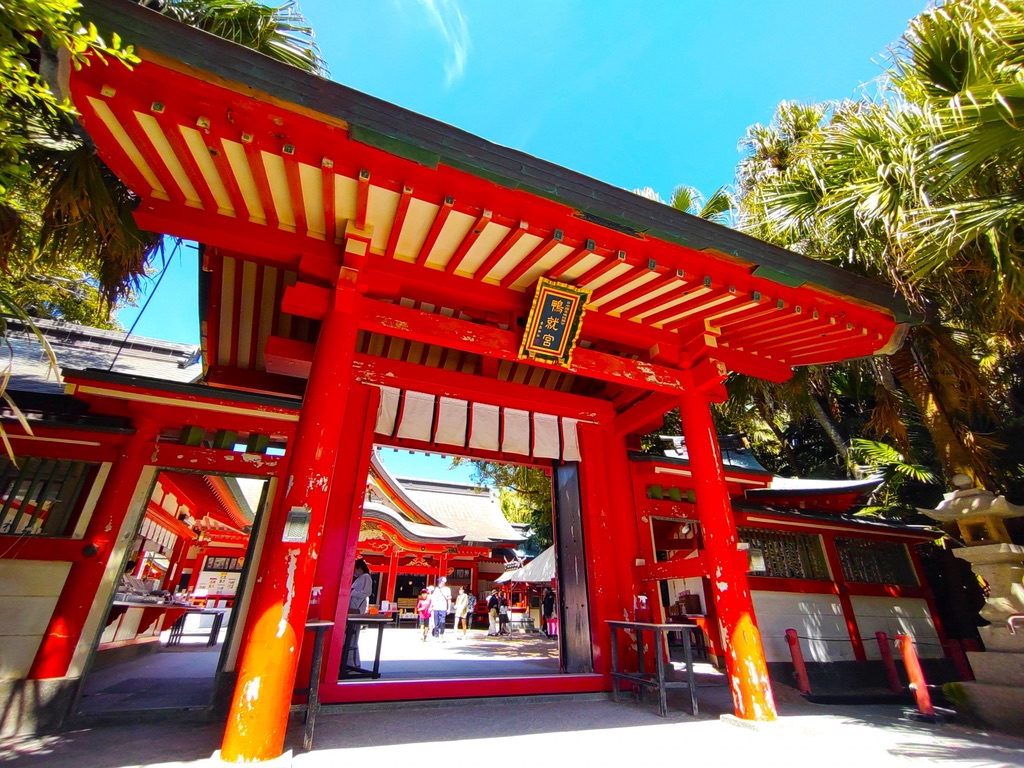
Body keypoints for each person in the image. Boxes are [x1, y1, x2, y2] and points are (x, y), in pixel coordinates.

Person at [346, 559, 372, 667]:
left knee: (353, 636)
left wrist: (353, 592)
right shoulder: (358, 579)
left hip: (357, 608)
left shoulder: (366, 577)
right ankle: (350, 661)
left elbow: (367, 592)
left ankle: (353, 663)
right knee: (351, 636)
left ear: (359, 567)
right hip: (353, 607)